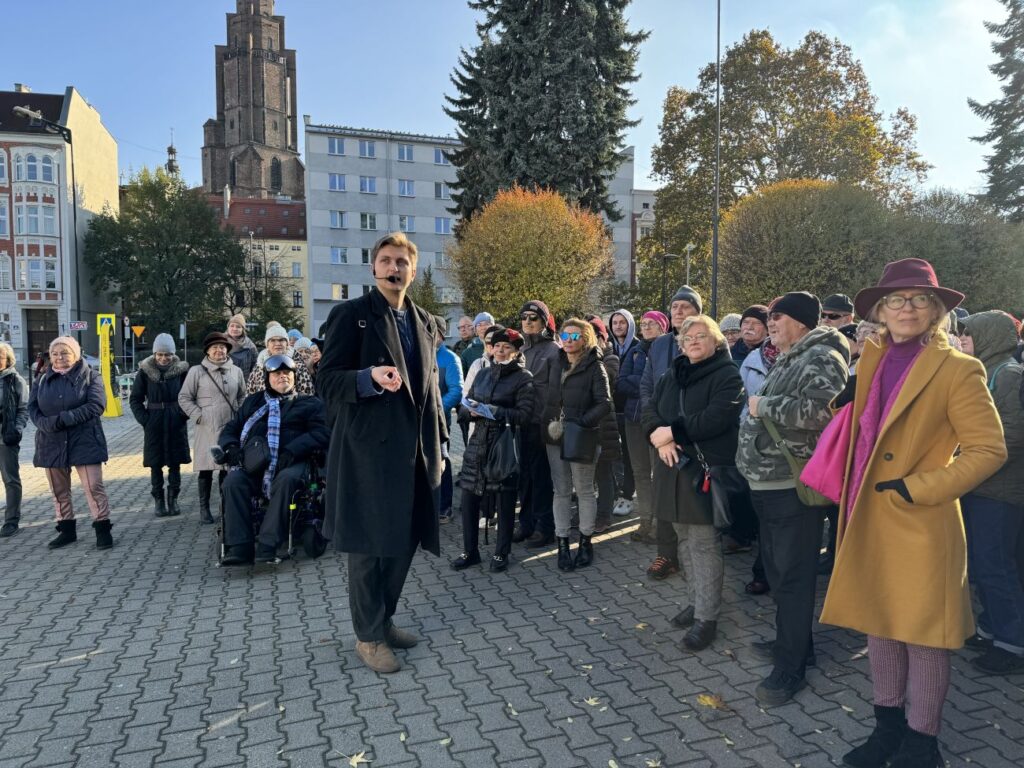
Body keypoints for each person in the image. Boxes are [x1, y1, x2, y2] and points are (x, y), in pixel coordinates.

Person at [821, 259, 1006, 768]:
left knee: (925, 637)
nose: (907, 308)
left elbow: (988, 450)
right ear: (880, 309)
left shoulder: (960, 369)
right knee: (881, 626)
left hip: (921, 519)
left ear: (937, 311)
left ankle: (922, 745)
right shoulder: (873, 358)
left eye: (920, 299)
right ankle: (887, 730)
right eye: (896, 300)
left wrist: (919, 488)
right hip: (869, 513)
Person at [318, 232, 446, 675]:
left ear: (413, 270)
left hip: (418, 454)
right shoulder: (350, 315)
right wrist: (367, 378)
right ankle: (368, 637)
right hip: (369, 454)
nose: (395, 269)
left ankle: (383, 619)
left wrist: (442, 444)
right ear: (373, 268)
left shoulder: (427, 321)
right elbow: (326, 381)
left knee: (405, 540)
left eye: (402, 262)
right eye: (387, 261)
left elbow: (432, 390)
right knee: (370, 549)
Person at [736, 291, 849, 706]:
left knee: (793, 576)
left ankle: (791, 668)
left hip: (791, 485)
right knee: (781, 574)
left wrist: (763, 404)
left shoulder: (820, 355)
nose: (770, 323)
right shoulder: (794, 354)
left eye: (777, 317)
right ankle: (797, 644)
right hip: (769, 483)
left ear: (801, 321)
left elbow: (824, 411)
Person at [645, 316, 743, 650]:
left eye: (702, 336)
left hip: (704, 470)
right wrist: (661, 439)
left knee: (702, 543)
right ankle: (695, 600)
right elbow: (651, 412)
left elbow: (718, 416)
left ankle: (707, 617)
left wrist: (673, 432)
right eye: (688, 338)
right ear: (681, 344)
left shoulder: (727, 374)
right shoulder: (672, 375)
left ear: (716, 341)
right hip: (672, 468)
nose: (694, 341)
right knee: (683, 539)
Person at [217, 355, 330, 565]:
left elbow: (322, 433)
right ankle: (240, 547)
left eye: (287, 374)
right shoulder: (254, 402)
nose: (282, 377)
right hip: (255, 463)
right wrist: (231, 446)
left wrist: (293, 450)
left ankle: (268, 544)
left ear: (294, 377)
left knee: (286, 480)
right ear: (268, 378)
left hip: (292, 462)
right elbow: (232, 428)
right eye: (277, 374)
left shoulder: (309, 403)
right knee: (233, 482)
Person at [959, 311, 1024, 676]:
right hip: (982, 484)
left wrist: (972, 461)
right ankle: (991, 626)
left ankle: (1012, 643)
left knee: (996, 565)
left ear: (989, 338)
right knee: (984, 565)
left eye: (968, 337)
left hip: (999, 489)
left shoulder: (1008, 375)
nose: (963, 342)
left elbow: (1013, 436)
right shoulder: (986, 371)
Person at [451, 327, 535, 572]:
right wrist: (469, 411)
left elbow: (525, 415)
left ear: (516, 351)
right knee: (469, 497)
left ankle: (501, 553)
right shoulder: (483, 374)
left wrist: (496, 412)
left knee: (504, 500)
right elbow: (465, 405)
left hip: (504, 445)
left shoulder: (524, 378)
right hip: (477, 443)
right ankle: (470, 551)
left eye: (506, 347)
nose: (500, 350)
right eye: (497, 346)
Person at [641, 285, 702, 580]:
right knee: (663, 494)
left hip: (693, 436)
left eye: (685, 307)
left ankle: (694, 556)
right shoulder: (660, 344)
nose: (678, 311)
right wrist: (655, 429)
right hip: (661, 437)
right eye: (675, 306)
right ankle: (666, 555)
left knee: (692, 495)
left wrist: (679, 431)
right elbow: (646, 388)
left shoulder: (710, 341)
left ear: (698, 312)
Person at [29, 336, 113, 549]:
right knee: (59, 489)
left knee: (93, 486)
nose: (59, 357)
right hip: (51, 441)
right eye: (55, 353)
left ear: (76, 355)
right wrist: (45, 424)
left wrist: (65, 418)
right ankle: (67, 530)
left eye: (65, 352)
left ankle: (102, 529)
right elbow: (32, 408)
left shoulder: (91, 377)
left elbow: (96, 406)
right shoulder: (41, 378)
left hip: (84, 440)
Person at [544, 319, 612, 570]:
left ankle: (585, 541)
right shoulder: (554, 362)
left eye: (575, 336)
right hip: (555, 435)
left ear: (586, 338)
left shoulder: (596, 366)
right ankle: (562, 542)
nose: (569, 340)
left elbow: (604, 403)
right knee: (560, 490)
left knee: (584, 491)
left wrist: (581, 423)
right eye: (566, 335)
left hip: (582, 436)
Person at [178, 332, 247, 524]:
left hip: (231, 426)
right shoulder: (196, 371)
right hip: (207, 426)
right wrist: (199, 416)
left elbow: (243, 395)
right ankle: (204, 509)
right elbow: (184, 397)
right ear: (208, 351)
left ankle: (226, 507)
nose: (219, 350)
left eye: (222, 347)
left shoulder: (236, 371)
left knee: (228, 468)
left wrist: (240, 414)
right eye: (215, 347)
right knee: (206, 469)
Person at [129, 333, 191, 517]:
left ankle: (173, 499)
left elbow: (190, 396)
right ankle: (158, 500)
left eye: (167, 355)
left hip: (175, 421)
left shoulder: (182, 372)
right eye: (160, 355)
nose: (164, 358)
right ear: (155, 354)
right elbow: (135, 399)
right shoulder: (145, 372)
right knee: (155, 464)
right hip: (154, 422)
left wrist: (182, 415)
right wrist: (145, 420)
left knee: (175, 463)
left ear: (173, 355)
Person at [620, 310, 668, 544]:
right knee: (640, 473)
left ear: (663, 327)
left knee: (658, 474)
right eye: (643, 324)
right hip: (633, 419)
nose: (646, 327)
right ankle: (645, 520)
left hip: (657, 421)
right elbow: (621, 382)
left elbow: (664, 383)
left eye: (652, 324)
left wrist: (641, 385)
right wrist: (646, 384)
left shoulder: (667, 349)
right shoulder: (635, 351)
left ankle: (661, 524)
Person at [515, 300, 559, 549]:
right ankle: (526, 523)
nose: (528, 322)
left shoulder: (553, 350)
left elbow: (555, 394)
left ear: (544, 321)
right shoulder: (519, 350)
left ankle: (545, 527)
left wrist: (546, 423)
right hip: (521, 423)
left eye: (534, 317)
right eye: (524, 317)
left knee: (542, 479)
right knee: (525, 478)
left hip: (540, 424)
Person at [587, 314, 622, 533]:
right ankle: (590, 512)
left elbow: (605, 382)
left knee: (604, 472)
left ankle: (604, 515)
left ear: (601, 338)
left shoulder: (610, 359)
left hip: (605, 425)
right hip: (588, 427)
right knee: (589, 474)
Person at [608, 309, 638, 517]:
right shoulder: (610, 348)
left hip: (630, 410)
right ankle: (616, 492)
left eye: (622, 322)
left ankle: (628, 495)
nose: (618, 326)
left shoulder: (637, 348)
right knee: (613, 455)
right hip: (611, 410)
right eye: (615, 323)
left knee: (630, 455)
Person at [435, 316, 464, 522]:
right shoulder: (416, 354)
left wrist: (434, 410)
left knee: (442, 463)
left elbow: (456, 391)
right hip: (415, 421)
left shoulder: (450, 358)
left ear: (440, 335)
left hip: (439, 421)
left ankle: (444, 507)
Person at [0, 343, 28, 538]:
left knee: (10, 479)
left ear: (8, 359)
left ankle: (11, 520)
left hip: (5, 437)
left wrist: (17, 429)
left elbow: (23, 409)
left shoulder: (15, 380)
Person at [248, 325, 314, 396]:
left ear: (287, 343)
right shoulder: (259, 365)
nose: (277, 344)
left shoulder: (297, 365)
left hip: (292, 405)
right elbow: (250, 393)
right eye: (273, 340)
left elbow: (307, 394)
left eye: (281, 340)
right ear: (267, 344)